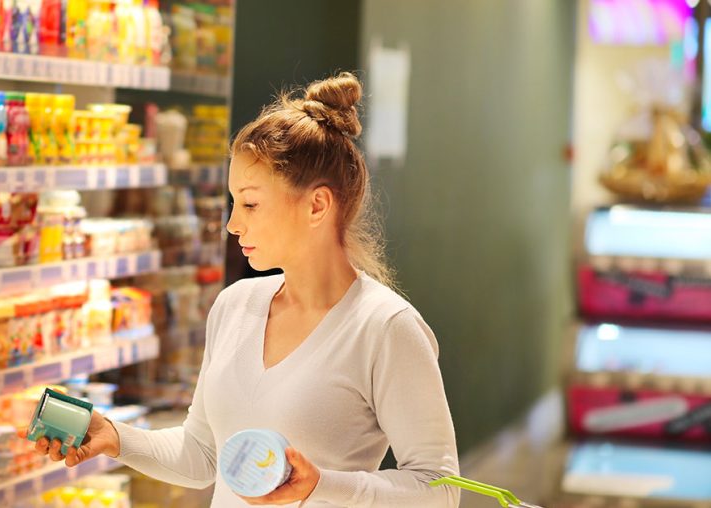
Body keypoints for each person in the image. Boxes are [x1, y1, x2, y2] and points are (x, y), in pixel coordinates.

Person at [23, 72, 461, 507]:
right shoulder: (235, 306)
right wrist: (118, 438)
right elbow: (204, 454)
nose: (233, 225)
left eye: (250, 203)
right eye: (233, 203)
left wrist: (322, 485)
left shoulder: (386, 327)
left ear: (317, 205)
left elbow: (440, 489)